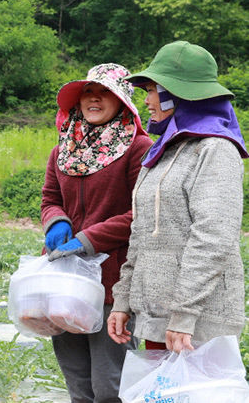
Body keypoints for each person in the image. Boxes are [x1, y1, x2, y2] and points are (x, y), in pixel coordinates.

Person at [108, 41, 247, 354]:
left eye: (152, 91)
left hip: (196, 325)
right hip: (160, 317)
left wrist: (184, 314)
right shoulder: (165, 151)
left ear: (175, 93)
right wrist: (124, 299)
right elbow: (141, 234)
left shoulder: (215, 150)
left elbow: (213, 239)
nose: (146, 102)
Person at [41, 63, 152, 402]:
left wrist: (88, 240)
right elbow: (50, 198)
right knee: (77, 382)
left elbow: (142, 213)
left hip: (113, 282)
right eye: (88, 91)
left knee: (110, 386)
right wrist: (57, 221)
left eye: (105, 91)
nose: (93, 98)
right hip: (66, 279)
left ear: (123, 100)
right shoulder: (63, 150)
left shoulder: (139, 149)